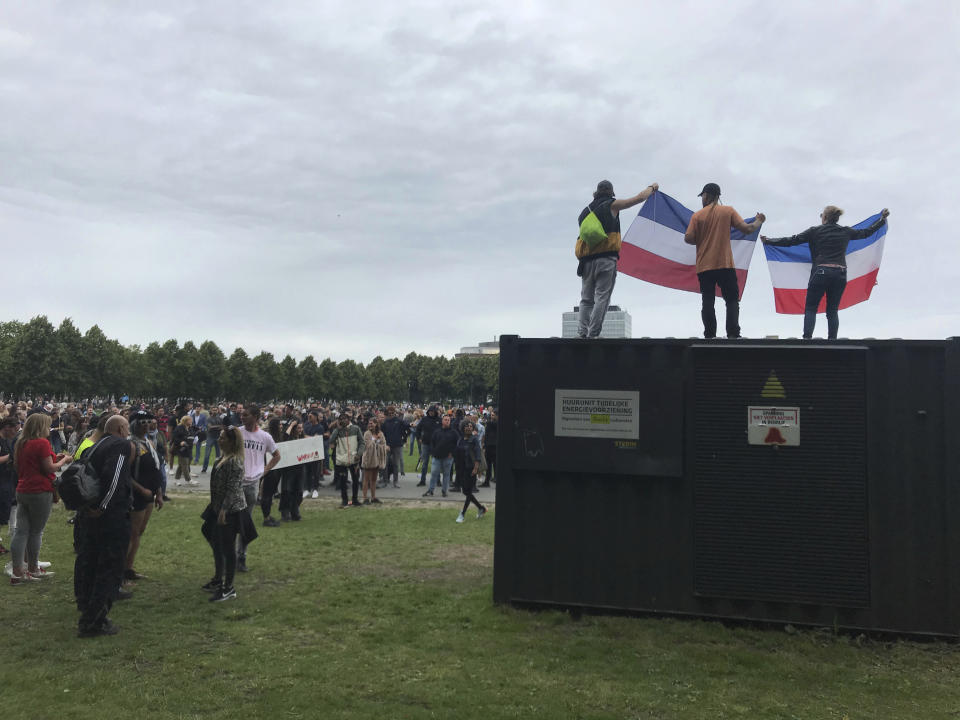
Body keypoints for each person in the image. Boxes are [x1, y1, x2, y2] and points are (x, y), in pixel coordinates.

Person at [761, 206, 890, 339]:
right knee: (832, 310)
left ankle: (807, 339)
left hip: (821, 272)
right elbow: (866, 232)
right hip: (840, 273)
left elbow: (792, 240)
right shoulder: (846, 231)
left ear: (825, 217)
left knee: (811, 308)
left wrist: (770, 241)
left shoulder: (814, 231)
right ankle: (832, 340)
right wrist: (882, 220)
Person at [575, 180, 659, 338]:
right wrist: (652, 188)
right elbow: (639, 198)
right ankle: (593, 334)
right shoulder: (611, 205)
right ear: (611, 192)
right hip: (606, 259)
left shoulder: (584, 213)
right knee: (602, 296)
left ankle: (582, 333)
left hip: (586, 262)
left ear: (596, 192)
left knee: (586, 299)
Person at [75, 415, 134, 637]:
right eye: (127, 427)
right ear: (120, 428)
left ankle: (86, 608)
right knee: (110, 567)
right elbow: (115, 476)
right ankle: (95, 621)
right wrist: (104, 505)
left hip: (90, 515)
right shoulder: (120, 445)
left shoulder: (95, 444)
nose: (128, 431)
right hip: (111, 515)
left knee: (90, 563)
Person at [684, 182, 766, 339]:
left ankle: (710, 335)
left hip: (704, 266)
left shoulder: (697, 216)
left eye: (702, 196)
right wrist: (759, 221)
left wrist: (700, 238)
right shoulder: (728, 211)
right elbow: (748, 229)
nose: (702, 199)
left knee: (708, 301)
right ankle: (733, 334)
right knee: (732, 300)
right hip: (725, 264)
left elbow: (688, 238)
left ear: (707, 196)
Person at [9, 413, 71, 585]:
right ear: (41, 426)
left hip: (23, 489)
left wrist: (52, 459)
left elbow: (21, 465)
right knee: (36, 531)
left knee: (21, 531)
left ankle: (17, 571)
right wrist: (64, 460)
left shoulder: (21, 443)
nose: (49, 429)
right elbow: (49, 468)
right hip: (40, 490)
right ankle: (33, 568)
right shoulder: (42, 443)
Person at [201, 426, 255, 603]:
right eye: (220, 437)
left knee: (227, 548)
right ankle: (218, 578)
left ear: (232, 442)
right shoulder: (221, 459)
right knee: (212, 536)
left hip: (230, 510)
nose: (219, 440)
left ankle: (228, 587)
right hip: (217, 507)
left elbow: (233, 488)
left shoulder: (235, 462)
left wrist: (224, 510)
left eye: (223, 438)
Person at [123, 410, 164, 583]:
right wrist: (141, 490)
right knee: (131, 534)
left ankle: (129, 568)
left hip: (149, 494)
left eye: (149, 421)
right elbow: (125, 474)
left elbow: (156, 469)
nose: (147, 425)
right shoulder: (131, 445)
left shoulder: (148, 442)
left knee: (139, 532)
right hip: (137, 495)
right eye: (142, 422)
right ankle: (121, 572)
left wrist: (159, 492)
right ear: (134, 425)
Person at [239, 405, 280, 567]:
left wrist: (265, 470)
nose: (242, 417)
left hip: (253, 483)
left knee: (246, 520)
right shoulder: (237, 432)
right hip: (237, 483)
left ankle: (241, 556)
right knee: (231, 520)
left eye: (246, 415)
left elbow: (276, 456)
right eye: (242, 415)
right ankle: (230, 556)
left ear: (256, 417)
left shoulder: (265, 437)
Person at [329, 414, 365, 508]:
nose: (342, 421)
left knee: (355, 480)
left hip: (354, 459)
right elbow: (331, 440)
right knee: (343, 481)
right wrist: (337, 429)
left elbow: (362, 442)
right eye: (340, 419)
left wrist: (359, 454)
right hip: (342, 460)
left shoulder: (356, 429)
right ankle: (344, 500)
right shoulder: (338, 431)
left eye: (344, 419)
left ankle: (355, 500)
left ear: (349, 419)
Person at [455, 421, 487, 523]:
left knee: (468, 492)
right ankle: (481, 508)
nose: (468, 428)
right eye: (466, 426)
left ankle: (462, 513)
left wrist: (476, 468)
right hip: (461, 468)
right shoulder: (460, 440)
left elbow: (478, 454)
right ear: (462, 428)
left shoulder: (474, 440)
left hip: (471, 469)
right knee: (465, 491)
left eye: (470, 426)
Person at [423, 414, 459, 498]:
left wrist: (452, 453)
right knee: (434, 473)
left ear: (450, 421)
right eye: (445, 420)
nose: (447, 421)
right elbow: (432, 442)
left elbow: (457, 444)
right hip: (437, 457)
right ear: (442, 421)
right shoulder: (437, 431)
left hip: (448, 457)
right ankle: (431, 490)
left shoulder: (454, 432)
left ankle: (444, 491)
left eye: (448, 420)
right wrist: (433, 452)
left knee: (446, 475)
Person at [0, 418, 21, 555]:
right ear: (7, 427)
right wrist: (11, 457)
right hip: (2, 482)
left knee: (6, 514)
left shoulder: (8, 440)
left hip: (8, 481)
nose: (16, 432)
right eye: (15, 429)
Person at [361, 418, 388, 504]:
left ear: (376, 424)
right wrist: (376, 439)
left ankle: (373, 497)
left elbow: (383, 444)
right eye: (369, 423)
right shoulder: (367, 434)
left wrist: (382, 445)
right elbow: (367, 445)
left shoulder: (380, 433)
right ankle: (365, 498)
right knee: (366, 479)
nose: (370, 425)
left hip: (377, 459)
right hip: (369, 459)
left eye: (372, 423)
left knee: (373, 479)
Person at [380, 405, 409, 488]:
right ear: (388, 413)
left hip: (397, 445)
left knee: (396, 464)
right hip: (387, 445)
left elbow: (406, 425)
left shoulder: (399, 421)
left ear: (394, 413)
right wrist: (385, 444)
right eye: (390, 412)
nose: (391, 414)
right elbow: (383, 434)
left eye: (393, 412)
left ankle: (395, 482)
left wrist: (410, 424)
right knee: (385, 463)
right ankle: (385, 481)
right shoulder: (385, 422)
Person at [415, 405, 441, 487]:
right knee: (425, 463)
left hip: (435, 444)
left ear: (435, 412)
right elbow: (418, 429)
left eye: (432, 411)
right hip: (425, 443)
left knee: (436, 463)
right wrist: (419, 438)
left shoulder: (439, 420)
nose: (431, 412)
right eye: (430, 411)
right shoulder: (424, 419)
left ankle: (438, 480)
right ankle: (423, 480)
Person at [171, 415, 197, 485]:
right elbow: (174, 438)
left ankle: (176, 480)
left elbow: (192, 435)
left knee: (181, 465)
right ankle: (188, 480)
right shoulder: (179, 428)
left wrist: (194, 439)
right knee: (185, 464)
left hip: (188, 448)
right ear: (185, 421)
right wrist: (180, 442)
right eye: (190, 420)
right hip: (181, 449)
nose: (191, 421)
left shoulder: (190, 428)